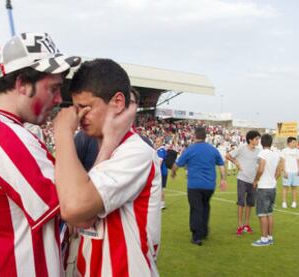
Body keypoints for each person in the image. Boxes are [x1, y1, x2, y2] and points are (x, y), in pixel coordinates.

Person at [0, 32, 81, 276]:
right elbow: (77, 208)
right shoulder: (4, 135)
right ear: (21, 84)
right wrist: (64, 133)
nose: (59, 99)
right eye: (53, 88)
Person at [54, 59, 161, 276]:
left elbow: (77, 210)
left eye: (85, 107)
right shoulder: (109, 149)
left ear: (117, 102)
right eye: (76, 108)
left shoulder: (136, 152)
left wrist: (63, 132)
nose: (79, 117)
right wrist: (106, 148)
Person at [171, 127, 226, 246]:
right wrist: (223, 179)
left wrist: (173, 172)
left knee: (196, 209)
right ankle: (204, 231)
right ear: (205, 136)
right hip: (209, 185)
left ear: (195, 136)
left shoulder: (190, 150)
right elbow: (221, 164)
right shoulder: (213, 150)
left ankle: (197, 236)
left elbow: (177, 164)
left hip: (195, 185)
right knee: (205, 207)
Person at [226, 130, 261, 235]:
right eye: (256, 139)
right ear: (250, 140)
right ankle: (240, 225)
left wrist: (257, 179)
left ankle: (246, 224)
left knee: (250, 204)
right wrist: (236, 163)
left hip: (253, 181)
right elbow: (227, 155)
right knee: (241, 203)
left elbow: (260, 164)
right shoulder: (242, 148)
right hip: (242, 179)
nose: (258, 141)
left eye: (258, 139)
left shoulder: (258, 151)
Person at [251, 134, 282, 246]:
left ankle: (264, 239)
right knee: (269, 213)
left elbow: (261, 169)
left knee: (262, 214)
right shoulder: (275, 154)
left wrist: (255, 180)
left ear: (261, 143)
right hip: (272, 187)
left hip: (263, 187)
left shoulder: (263, 153)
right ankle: (270, 237)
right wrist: (274, 179)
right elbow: (279, 169)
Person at [280, 137, 299, 208]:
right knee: (285, 187)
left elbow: (298, 161)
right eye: (293, 142)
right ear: (289, 143)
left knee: (294, 188)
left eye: (295, 142)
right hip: (287, 172)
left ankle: (294, 202)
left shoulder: (297, 151)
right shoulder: (284, 151)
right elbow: (282, 161)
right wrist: (284, 171)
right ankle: (284, 202)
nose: (295, 143)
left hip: (295, 172)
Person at [155, 136, 168, 209]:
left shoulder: (161, 150)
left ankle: (162, 204)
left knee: (160, 188)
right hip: (162, 172)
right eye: (156, 141)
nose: (157, 143)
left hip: (161, 172)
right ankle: (161, 203)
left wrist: (155, 171)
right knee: (160, 188)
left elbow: (160, 162)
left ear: (161, 142)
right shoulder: (160, 150)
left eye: (158, 141)